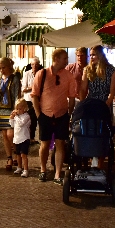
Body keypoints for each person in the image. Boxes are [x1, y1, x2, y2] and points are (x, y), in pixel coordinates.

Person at [31, 48, 77, 183]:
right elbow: (34, 95)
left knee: (60, 143)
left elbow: (72, 96)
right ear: (56, 59)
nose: (67, 61)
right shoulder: (42, 74)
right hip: (45, 114)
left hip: (62, 115)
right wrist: (38, 114)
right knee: (44, 144)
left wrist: (69, 113)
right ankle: (43, 170)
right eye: (65, 58)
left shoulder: (68, 75)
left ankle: (57, 174)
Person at [0, 57, 22, 171]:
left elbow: (17, 95)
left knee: (11, 135)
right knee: (4, 135)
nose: (1, 70)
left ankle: (16, 154)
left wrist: (16, 109)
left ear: (9, 67)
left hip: (11, 109)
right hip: (0, 109)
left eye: (3, 67)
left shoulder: (15, 78)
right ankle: (9, 157)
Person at [9, 99, 31, 177]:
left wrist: (15, 117)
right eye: (17, 109)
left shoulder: (26, 116)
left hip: (24, 138)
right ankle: (19, 167)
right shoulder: (17, 117)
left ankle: (25, 169)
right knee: (18, 154)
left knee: (23, 155)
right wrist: (11, 118)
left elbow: (21, 123)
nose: (18, 110)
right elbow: (12, 125)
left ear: (24, 108)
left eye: (20, 109)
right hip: (17, 138)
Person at [21, 57, 42, 143]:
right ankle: (27, 138)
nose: (34, 66)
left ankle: (32, 137)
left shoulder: (41, 73)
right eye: (33, 64)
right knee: (29, 118)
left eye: (36, 64)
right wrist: (33, 87)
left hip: (39, 99)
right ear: (30, 65)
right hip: (29, 99)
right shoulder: (27, 74)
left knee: (36, 119)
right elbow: (23, 89)